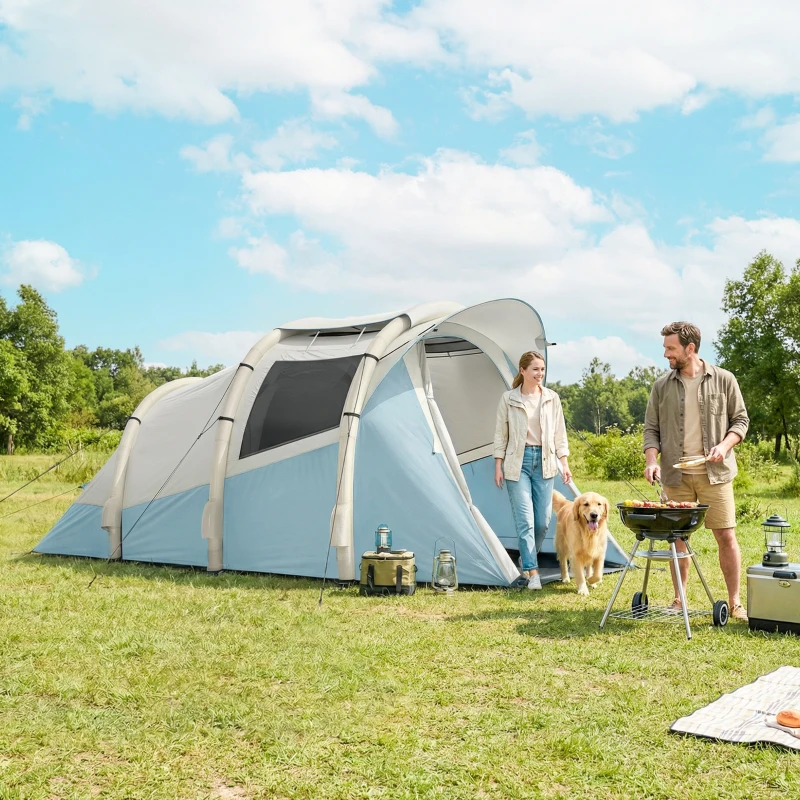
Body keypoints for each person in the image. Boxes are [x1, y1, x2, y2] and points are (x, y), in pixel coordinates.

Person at [643, 321, 750, 620]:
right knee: (678, 538)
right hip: (676, 474)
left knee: (726, 536)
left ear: (690, 349)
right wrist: (652, 460)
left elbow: (740, 421)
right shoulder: (661, 386)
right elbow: (651, 429)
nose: (666, 354)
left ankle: (735, 602)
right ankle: (679, 601)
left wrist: (725, 446)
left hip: (715, 474)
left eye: (670, 348)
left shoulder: (724, 379)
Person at [494, 351, 572, 590]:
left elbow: (560, 433)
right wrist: (498, 465)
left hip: (546, 462)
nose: (540, 374)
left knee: (542, 523)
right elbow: (500, 434)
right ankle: (533, 572)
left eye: (542, 369)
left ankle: (526, 559)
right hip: (517, 462)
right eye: (535, 369)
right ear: (523, 371)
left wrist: (564, 463)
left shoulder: (551, 398)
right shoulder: (508, 399)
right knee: (525, 521)